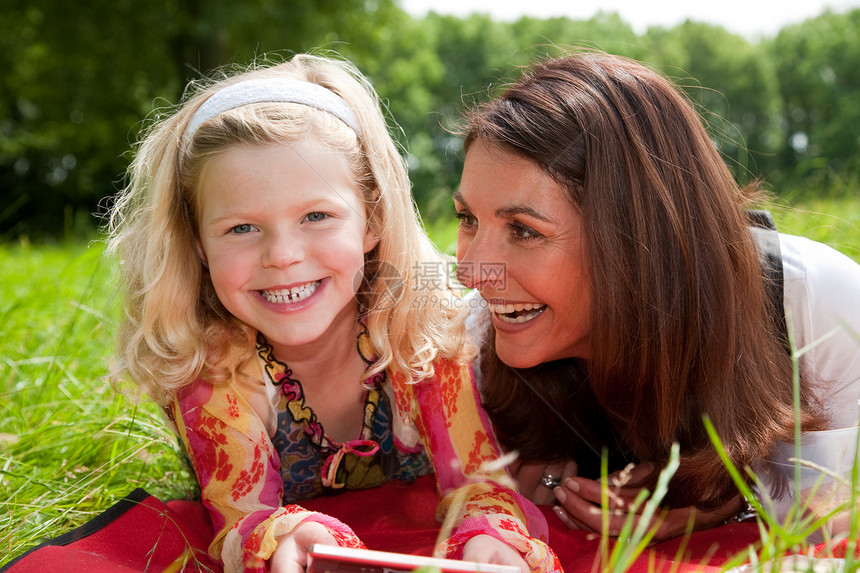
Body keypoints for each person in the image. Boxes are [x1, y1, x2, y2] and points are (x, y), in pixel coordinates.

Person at [106, 53, 560, 573]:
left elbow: (479, 483)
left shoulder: (424, 338)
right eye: (241, 228)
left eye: (316, 216)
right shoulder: (212, 367)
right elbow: (241, 514)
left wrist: (492, 539)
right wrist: (290, 537)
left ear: (372, 220)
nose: (283, 255)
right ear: (199, 245)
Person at [453, 51, 860, 541]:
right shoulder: (474, 333)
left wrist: (727, 506)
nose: (471, 270)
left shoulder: (822, 308)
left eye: (523, 230)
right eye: (468, 219)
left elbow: (834, 522)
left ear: (636, 239)